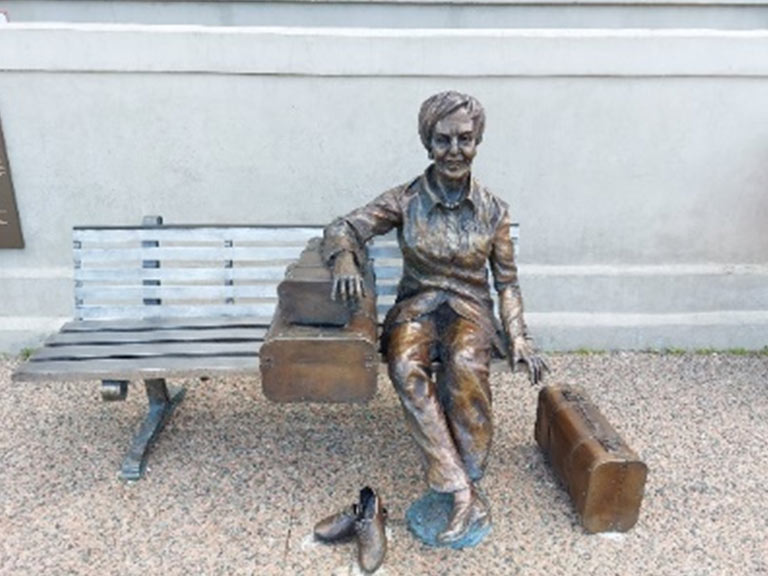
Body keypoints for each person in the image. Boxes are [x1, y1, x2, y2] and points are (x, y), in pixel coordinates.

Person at [322, 91, 547, 545]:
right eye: (443, 140)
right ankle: (460, 489)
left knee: (466, 366)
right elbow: (344, 227)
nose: (454, 151)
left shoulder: (494, 211)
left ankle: (469, 475)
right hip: (417, 307)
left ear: (478, 141)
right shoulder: (405, 200)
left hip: (469, 311)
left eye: (465, 139)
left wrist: (519, 336)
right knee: (405, 366)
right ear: (428, 144)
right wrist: (345, 259)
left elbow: (506, 281)